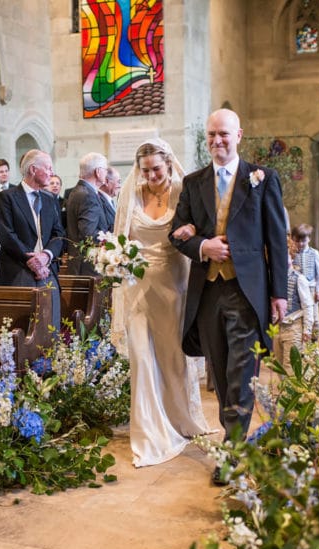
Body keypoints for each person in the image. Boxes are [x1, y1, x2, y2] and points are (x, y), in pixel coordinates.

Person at [170, 109, 288, 483]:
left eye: (223, 134)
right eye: (210, 135)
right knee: (220, 373)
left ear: (239, 134)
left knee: (241, 371)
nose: (217, 141)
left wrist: (280, 293)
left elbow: (276, 239)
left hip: (246, 290)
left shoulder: (263, 179)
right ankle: (234, 435)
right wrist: (204, 246)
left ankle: (233, 450)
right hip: (207, 293)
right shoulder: (192, 182)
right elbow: (177, 234)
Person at [110, 139, 211, 467]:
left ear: (168, 164)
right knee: (142, 359)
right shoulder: (132, 193)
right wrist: (115, 257)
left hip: (174, 286)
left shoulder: (184, 190)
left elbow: (198, 232)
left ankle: (180, 419)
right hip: (138, 289)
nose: (151, 175)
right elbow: (121, 239)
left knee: (171, 358)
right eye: (145, 170)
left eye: (156, 168)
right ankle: (150, 432)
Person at [0, 149, 64, 325]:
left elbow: (59, 234)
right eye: (47, 168)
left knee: (51, 326)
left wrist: (46, 255)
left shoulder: (49, 199)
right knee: (22, 328)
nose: (51, 172)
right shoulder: (7, 197)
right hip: (19, 270)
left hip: (48, 270)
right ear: (33, 170)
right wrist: (32, 260)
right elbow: (6, 235)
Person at [65, 152, 110, 275]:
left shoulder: (77, 191)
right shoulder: (88, 195)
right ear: (98, 172)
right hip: (88, 266)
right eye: (106, 170)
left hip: (80, 264)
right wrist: (111, 240)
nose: (107, 174)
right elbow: (88, 234)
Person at [277, 242, 315, 369]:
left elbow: (308, 305)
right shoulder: (272, 279)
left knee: (291, 366)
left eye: (285, 256)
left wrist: (307, 329)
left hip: (293, 327)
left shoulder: (299, 279)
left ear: (292, 257)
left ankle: (293, 389)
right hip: (276, 329)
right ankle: (285, 389)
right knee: (278, 366)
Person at [291, 223, 319, 340]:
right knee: (300, 314)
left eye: (303, 241)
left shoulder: (314, 253)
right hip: (296, 289)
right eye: (297, 241)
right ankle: (301, 341)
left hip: (311, 289)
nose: (300, 244)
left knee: (314, 316)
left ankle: (314, 342)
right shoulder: (292, 253)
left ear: (309, 239)